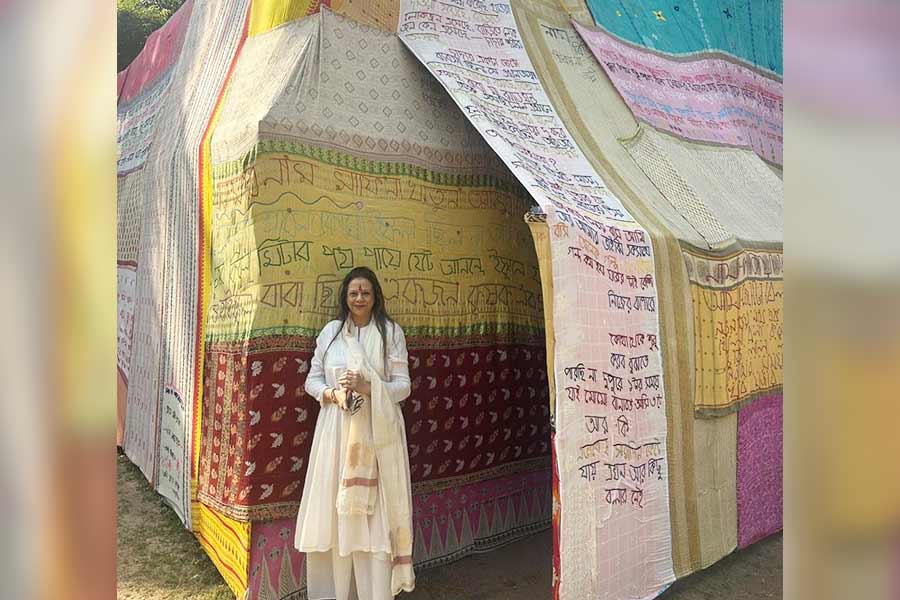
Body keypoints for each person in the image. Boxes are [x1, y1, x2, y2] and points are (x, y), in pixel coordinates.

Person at [295, 267, 416, 600]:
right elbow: (312, 379)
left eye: (365, 292)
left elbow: (404, 387)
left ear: (375, 295)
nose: (359, 298)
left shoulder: (390, 332)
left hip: (378, 435)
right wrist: (334, 395)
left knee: (374, 516)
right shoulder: (332, 333)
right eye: (353, 293)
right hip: (335, 433)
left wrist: (369, 387)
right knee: (337, 515)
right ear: (345, 299)